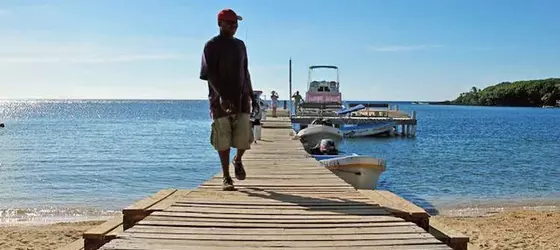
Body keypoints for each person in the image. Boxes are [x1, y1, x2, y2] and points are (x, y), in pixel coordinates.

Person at [199, 8, 259, 191]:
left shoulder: (240, 45)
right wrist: (222, 96)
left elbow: (245, 71)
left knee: (244, 139)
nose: (234, 26)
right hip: (220, 101)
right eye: (230, 23)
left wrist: (252, 95)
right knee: (223, 139)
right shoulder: (211, 45)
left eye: (236, 23)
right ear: (220, 24)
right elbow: (208, 74)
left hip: (241, 99)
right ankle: (226, 177)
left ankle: (238, 159)